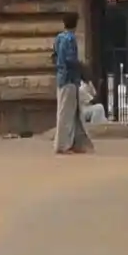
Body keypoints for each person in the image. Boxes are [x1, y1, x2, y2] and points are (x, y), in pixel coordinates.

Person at [52, 11, 93, 154]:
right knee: (66, 114)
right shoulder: (70, 39)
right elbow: (70, 60)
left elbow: (54, 57)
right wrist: (82, 67)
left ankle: (76, 143)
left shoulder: (59, 38)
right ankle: (62, 145)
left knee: (72, 112)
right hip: (69, 79)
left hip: (62, 78)